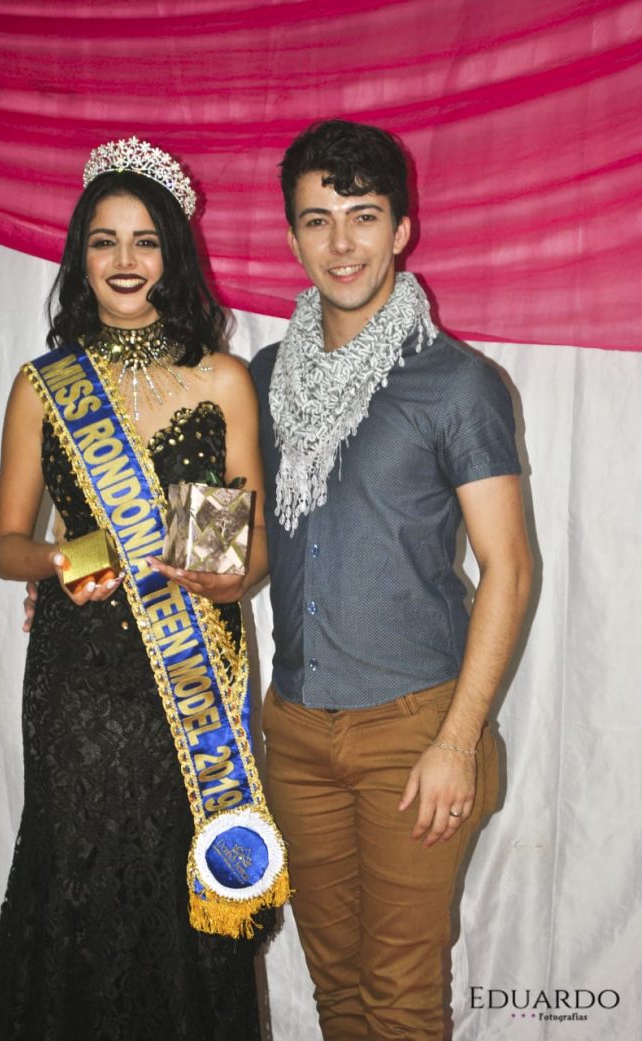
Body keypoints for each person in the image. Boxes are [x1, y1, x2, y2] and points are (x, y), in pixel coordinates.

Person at [0, 137, 280, 1041]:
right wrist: (67, 559)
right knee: (76, 868)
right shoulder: (44, 385)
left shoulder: (224, 377)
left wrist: (229, 574)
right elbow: (6, 547)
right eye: (104, 240)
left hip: (190, 673)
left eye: (145, 240)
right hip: (76, 678)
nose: (124, 259)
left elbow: (253, 552)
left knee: (179, 866)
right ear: (80, 254)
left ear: (173, 253)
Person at [249, 119, 534, 1041]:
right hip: (295, 732)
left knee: (402, 999)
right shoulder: (266, 378)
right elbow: (253, 551)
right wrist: (114, 578)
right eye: (318, 220)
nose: (342, 243)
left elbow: (510, 567)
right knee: (337, 991)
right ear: (292, 237)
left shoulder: (456, 383)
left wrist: (458, 740)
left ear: (402, 229)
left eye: (364, 216)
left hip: (415, 731)